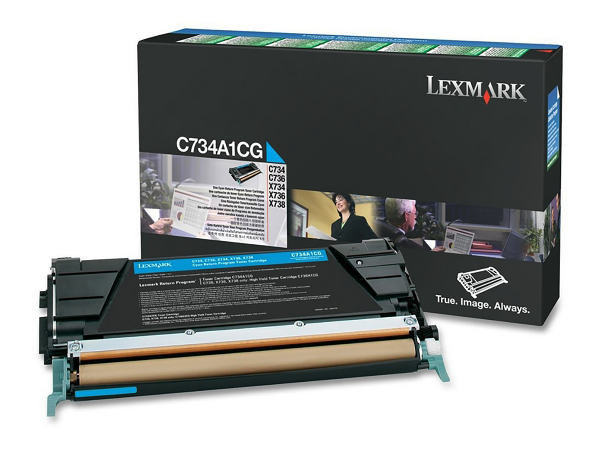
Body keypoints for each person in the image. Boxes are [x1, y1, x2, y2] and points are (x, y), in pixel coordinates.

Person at [378, 198, 445, 251]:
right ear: (406, 216)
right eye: (414, 213)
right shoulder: (402, 243)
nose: (415, 217)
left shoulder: (379, 230)